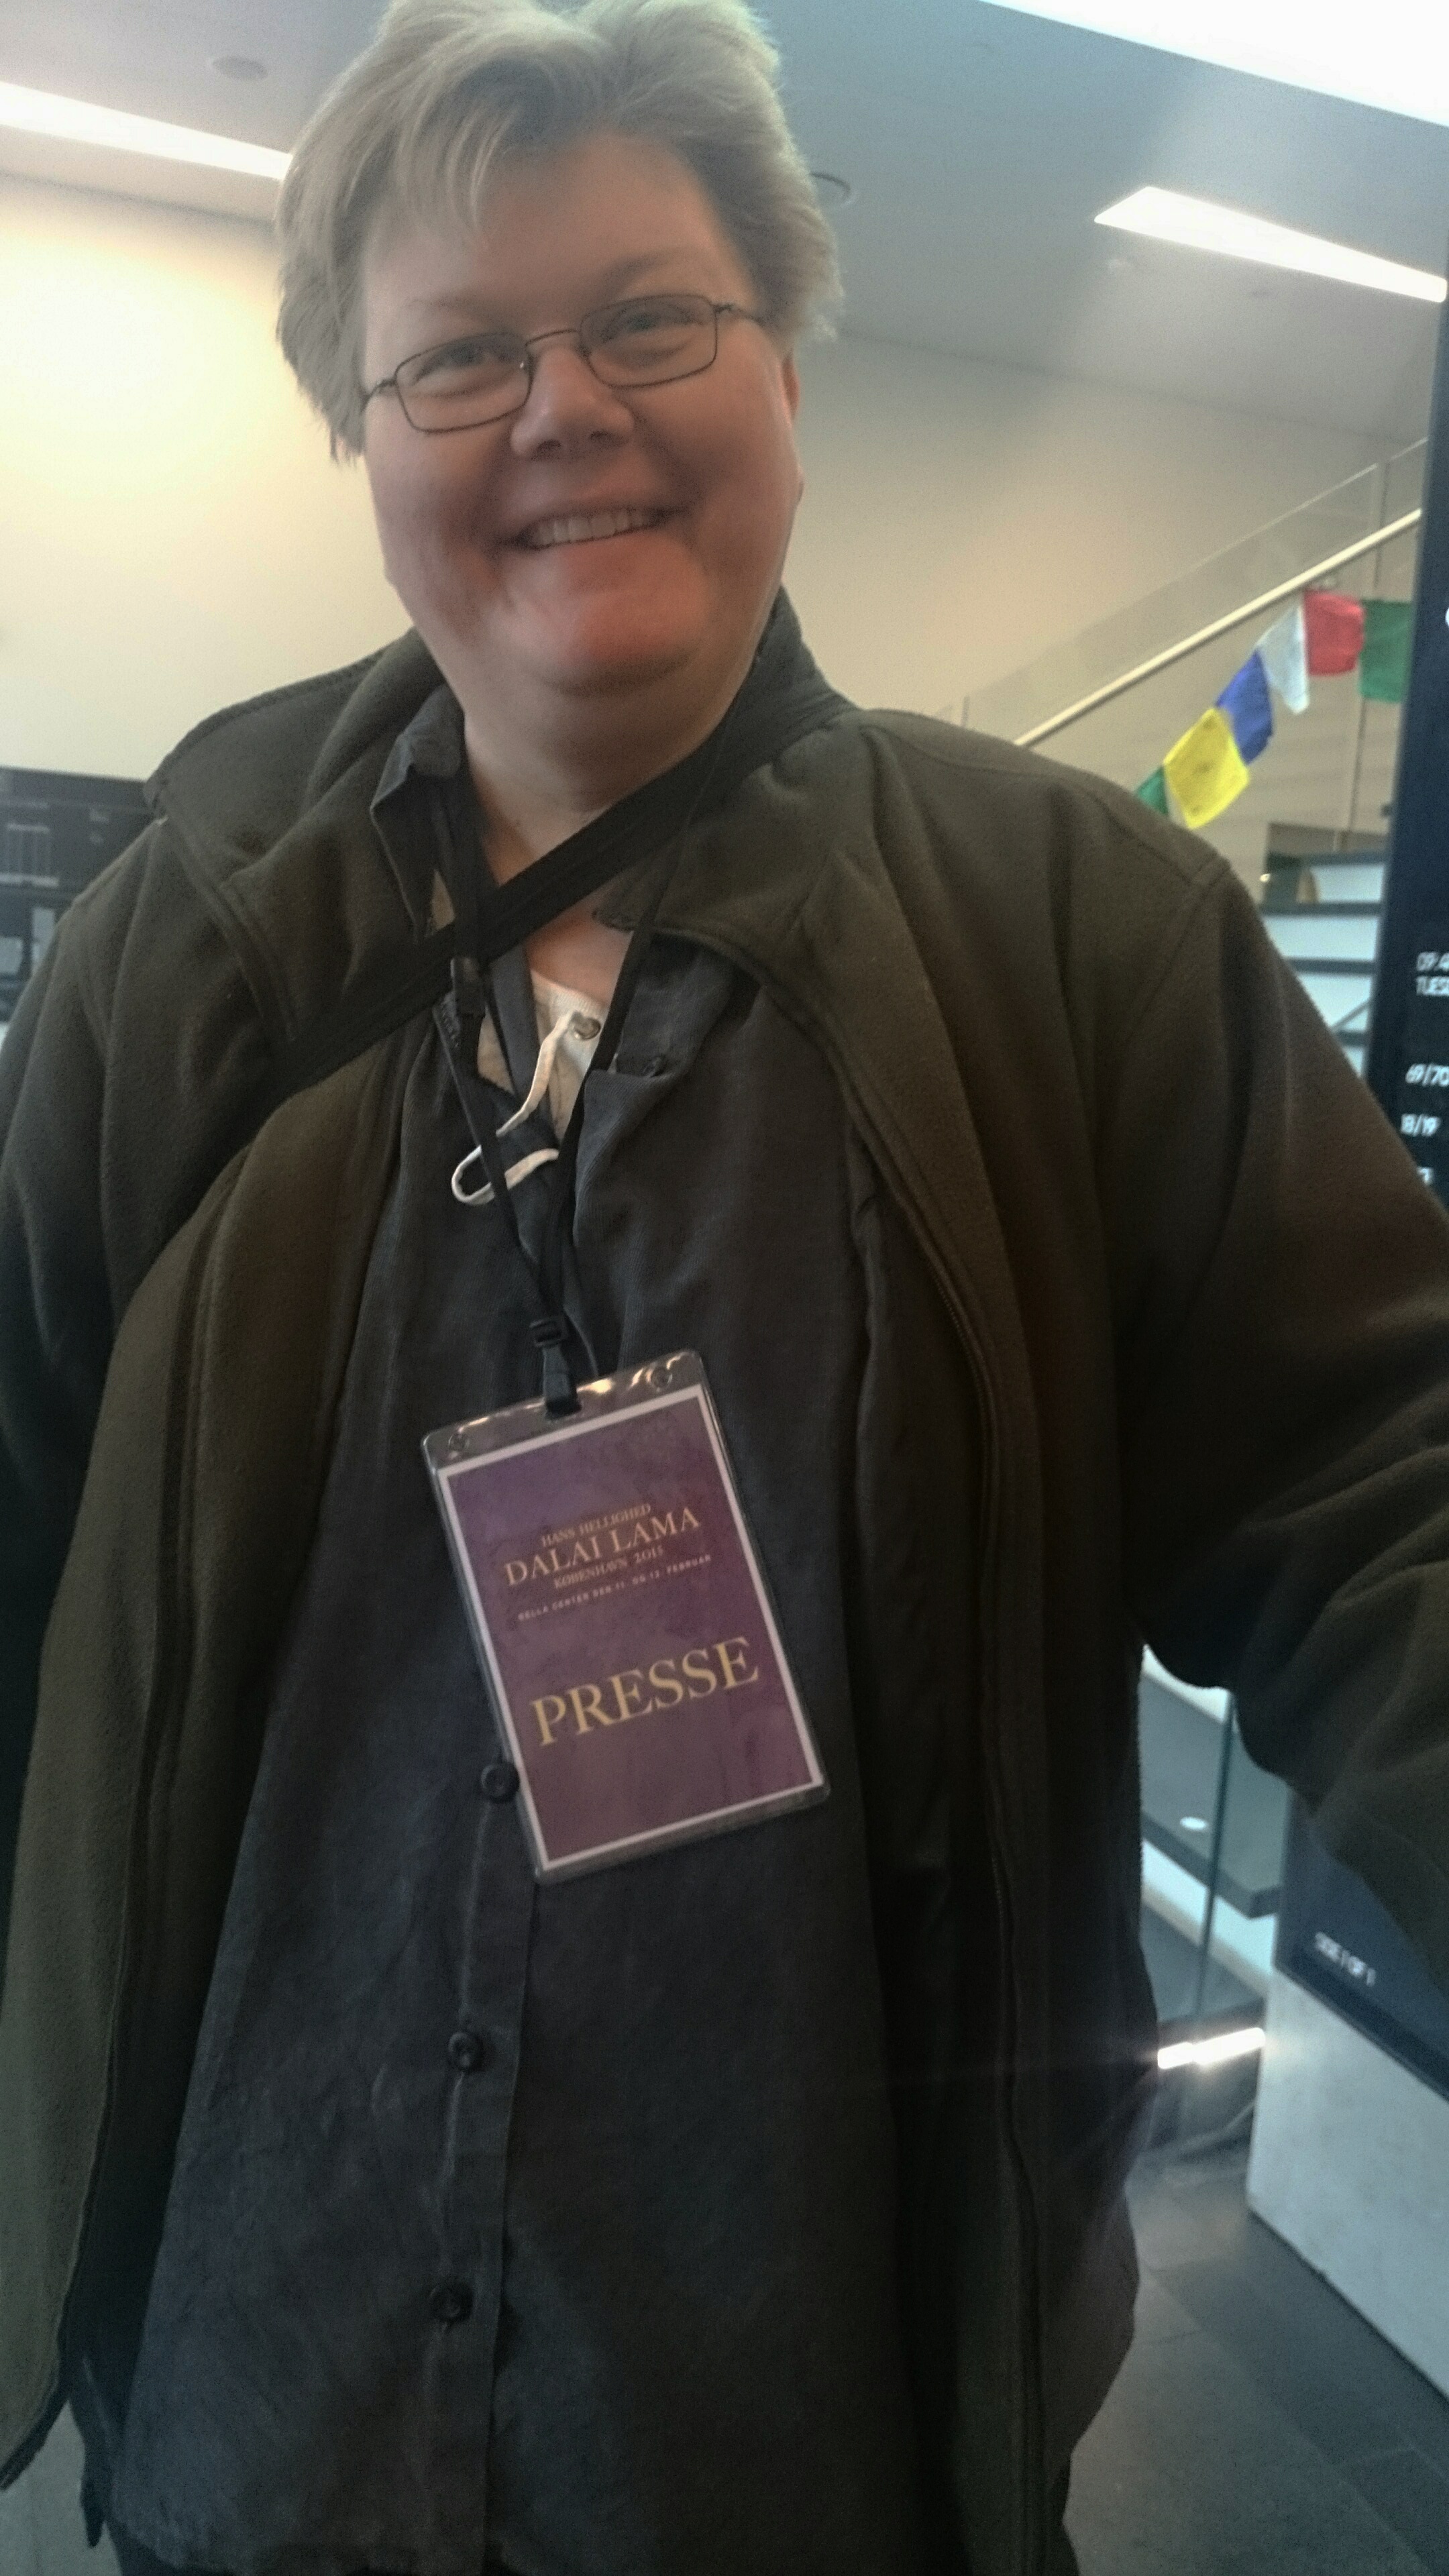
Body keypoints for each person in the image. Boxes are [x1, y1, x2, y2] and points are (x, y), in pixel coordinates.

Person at [1, 1, 1447, 2571]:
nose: (565, 407)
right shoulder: (190, 948)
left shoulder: (1076, 941)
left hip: (791, 2450)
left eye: (651, 317)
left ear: (784, 365)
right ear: (365, 433)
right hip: (257, 2397)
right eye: (460, 353)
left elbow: (1382, 1498)